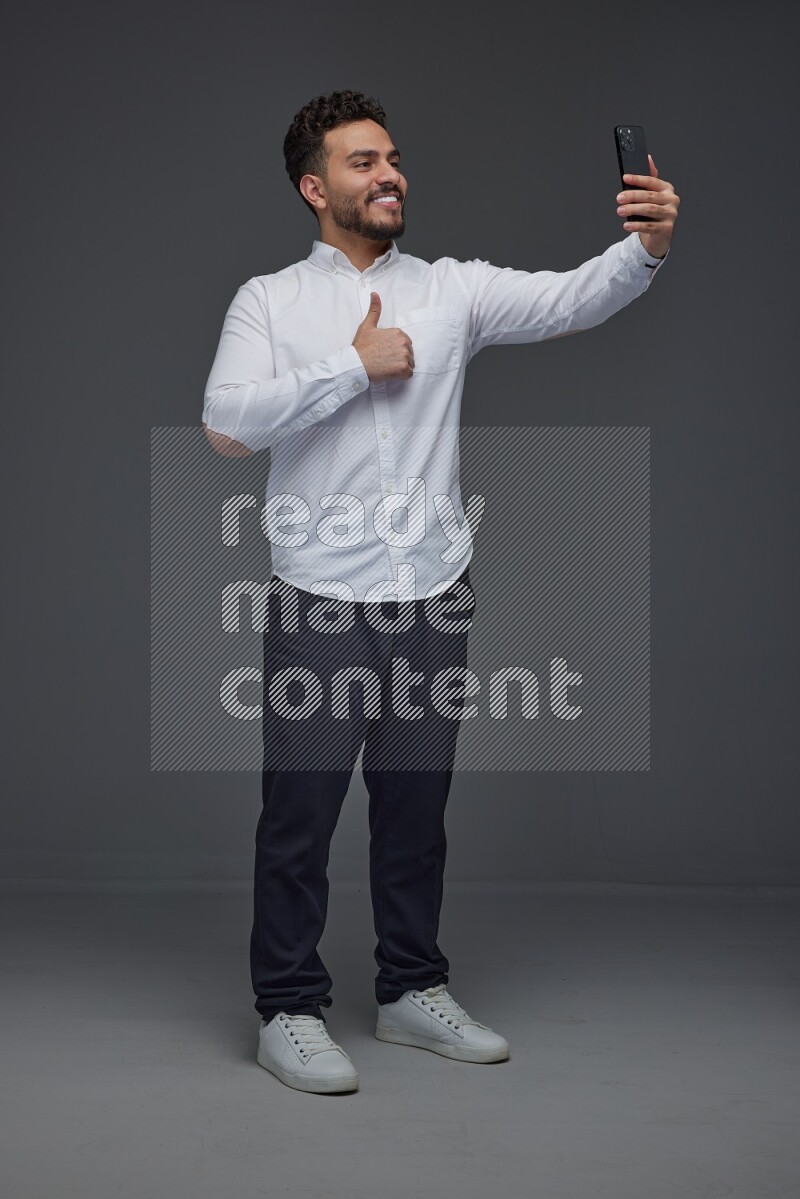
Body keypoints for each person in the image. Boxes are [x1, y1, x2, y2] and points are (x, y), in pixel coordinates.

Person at [202, 90, 679, 1095]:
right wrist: (351, 365)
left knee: (416, 813)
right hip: (320, 600)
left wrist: (642, 249)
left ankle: (412, 988)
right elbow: (227, 425)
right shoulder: (270, 302)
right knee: (299, 817)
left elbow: (569, 299)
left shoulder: (449, 289)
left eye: (392, 159)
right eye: (363, 162)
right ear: (314, 187)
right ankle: (287, 1006)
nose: (389, 175)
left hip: (432, 596)